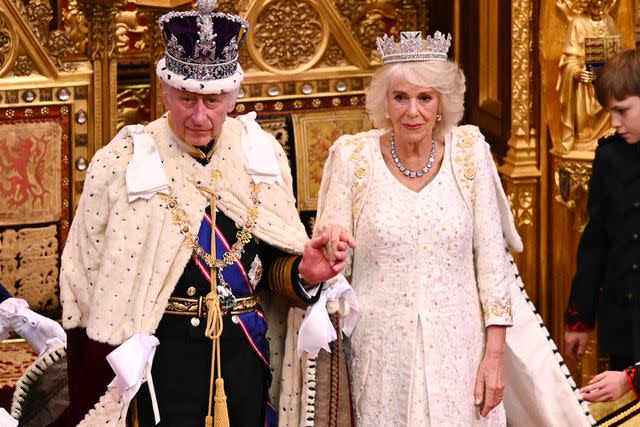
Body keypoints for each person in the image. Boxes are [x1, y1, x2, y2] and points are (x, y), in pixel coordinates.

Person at [57, 1, 352, 426]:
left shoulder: (259, 154)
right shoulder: (122, 160)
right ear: (164, 91)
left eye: (212, 101)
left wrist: (304, 272)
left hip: (243, 359)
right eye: (186, 99)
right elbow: (86, 282)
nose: (199, 116)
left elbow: (268, 267)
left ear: (233, 96)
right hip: (160, 366)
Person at [313, 30, 513, 426]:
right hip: (380, 355)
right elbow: (333, 261)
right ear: (385, 103)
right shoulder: (353, 158)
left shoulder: (469, 152)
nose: (412, 112)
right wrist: (332, 252)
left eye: (425, 98)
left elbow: (492, 261)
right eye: (400, 97)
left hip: (461, 356)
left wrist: (495, 356)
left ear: (441, 103)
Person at [565, 47, 640, 394]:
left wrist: (632, 381)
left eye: (622, 111)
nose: (614, 123)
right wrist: (579, 318)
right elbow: (596, 241)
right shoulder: (610, 156)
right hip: (624, 322)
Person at [556, 0, 619, 152]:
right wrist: (577, 72)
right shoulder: (577, 23)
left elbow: (616, 51)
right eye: (593, 5)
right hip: (584, 85)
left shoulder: (609, 21)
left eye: (601, 5)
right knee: (580, 92)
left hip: (606, 81)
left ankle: (609, 134)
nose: (597, 9)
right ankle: (582, 136)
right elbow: (569, 60)